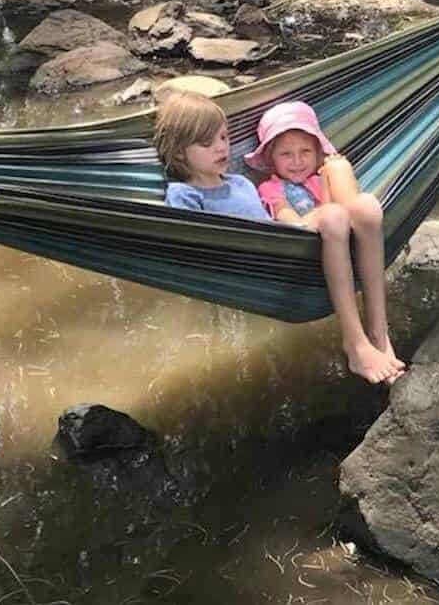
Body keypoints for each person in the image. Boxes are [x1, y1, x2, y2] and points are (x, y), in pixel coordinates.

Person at [153, 91, 404, 385]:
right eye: (207, 143)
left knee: (367, 207)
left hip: (284, 249)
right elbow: (186, 246)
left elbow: (273, 222)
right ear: (180, 152)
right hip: (253, 264)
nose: (221, 148)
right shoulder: (183, 194)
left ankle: (377, 332)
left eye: (223, 138)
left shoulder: (241, 183)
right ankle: (355, 343)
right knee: (334, 215)